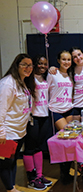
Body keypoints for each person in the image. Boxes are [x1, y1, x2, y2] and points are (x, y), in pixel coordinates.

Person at [0, 53, 35, 192]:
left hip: (19, 131)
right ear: (17, 65)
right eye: (24, 65)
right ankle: (10, 188)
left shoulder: (23, 82)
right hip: (8, 132)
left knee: (13, 161)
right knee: (5, 163)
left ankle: (11, 187)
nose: (28, 68)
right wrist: (1, 133)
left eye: (30, 65)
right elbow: (1, 110)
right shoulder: (8, 84)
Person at [23, 55, 52, 190]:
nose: (42, 66)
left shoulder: (47, 78)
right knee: (30, 147)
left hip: (44, 115)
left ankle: (39, 175)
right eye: (40, 63)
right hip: (32, 116)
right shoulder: (29, 79)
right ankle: (31, 178)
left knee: (39, 146)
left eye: (45, 64)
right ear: (35, 64)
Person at [47, 50, 74, 184]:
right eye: (63, 59)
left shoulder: (71, 74)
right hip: (56, 110)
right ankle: (63, 173)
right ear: (58, 60)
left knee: (69, 141)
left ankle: (67, 171)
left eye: (68, 59)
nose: (66, 62)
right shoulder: (52, 73)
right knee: (65, 138)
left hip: (69, 109)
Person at [49, 47, 83, 121]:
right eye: (74, 57)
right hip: (75, 106)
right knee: (74, 131)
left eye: (79, 54)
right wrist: (52, 68)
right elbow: (61, 73)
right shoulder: (70, 70)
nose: (78, 58)